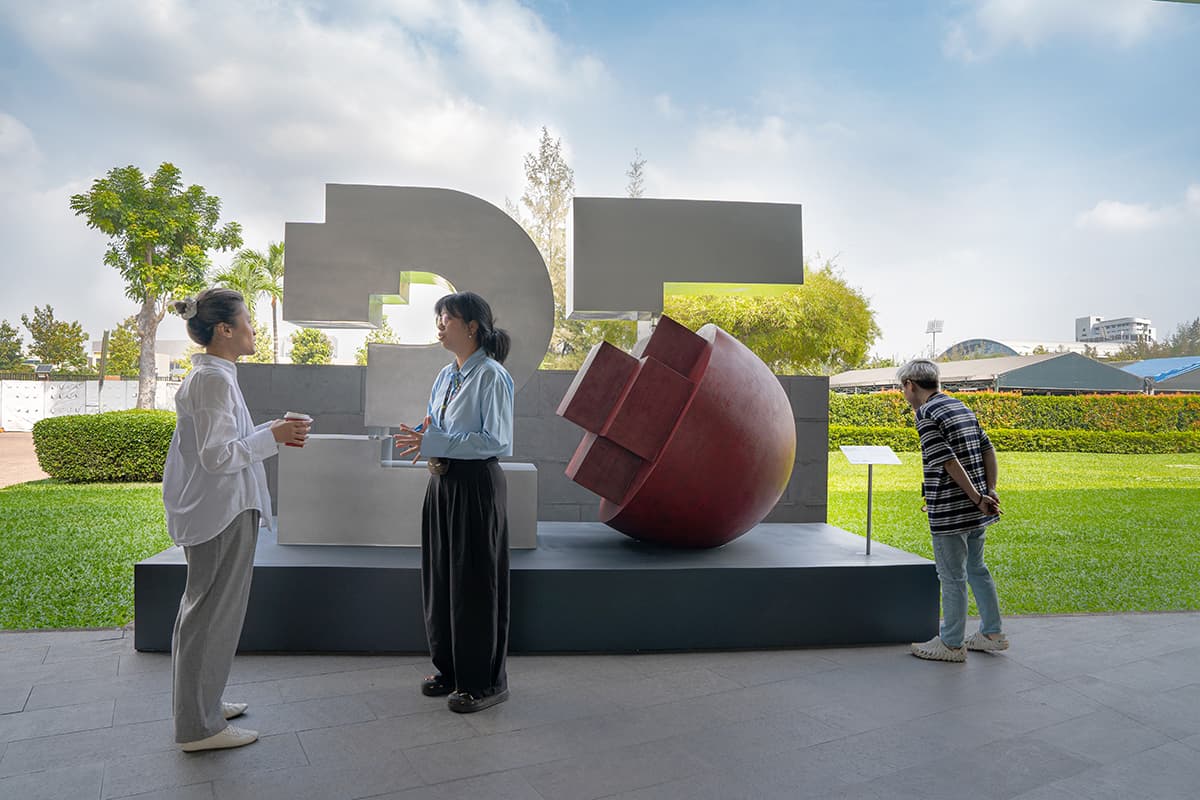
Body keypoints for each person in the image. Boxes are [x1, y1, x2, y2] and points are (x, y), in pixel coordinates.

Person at [163, 288, 311, 751]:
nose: (253, 328)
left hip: (219, 510)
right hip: (220, 513)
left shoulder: (213, 375)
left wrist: (272, 431)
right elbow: (217, 456)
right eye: (246, 319)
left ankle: (203, 703)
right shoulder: (213, 380)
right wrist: (273, 438)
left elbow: (226, 442)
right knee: (211, 617)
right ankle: (199, 726)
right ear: (224, 330)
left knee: (203, 612)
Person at [393, 291, 514, 713]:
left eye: (447, 317)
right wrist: (428, 438)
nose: (440, 323)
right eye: (439, 317)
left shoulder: (491, 376)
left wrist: (436, 440)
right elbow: (436, 426)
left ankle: (484, 682)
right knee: (441, 578)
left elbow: (496, 440)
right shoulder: (446, 375)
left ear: (472, 327)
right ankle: (451, 669)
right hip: (442, 483)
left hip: (476, 485)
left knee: (476, 584)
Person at [898, 359, 1009, 663]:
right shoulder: (960, 406)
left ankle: (951, 643)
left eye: (903, 389)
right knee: (977, 569)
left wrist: (976, 497)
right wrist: (989, 491)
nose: (904, 395)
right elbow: (988, 449)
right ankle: (992, 632)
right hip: (975, 510)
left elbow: (947, 461)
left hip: (953, 512)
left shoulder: (926, 413)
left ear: (910, 385)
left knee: (952, 577)